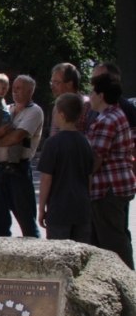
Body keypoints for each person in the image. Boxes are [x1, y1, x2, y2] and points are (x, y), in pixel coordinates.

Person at [0, 74, 44, 238]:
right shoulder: (6, 109)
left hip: (18, 169)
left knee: (26, 220)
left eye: (19, 89)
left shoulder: (35, 111)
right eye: (13, 88)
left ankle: (33, 257)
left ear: (30, 91)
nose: (14, 92)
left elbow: (17, 136)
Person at [86, 72, 135, 269]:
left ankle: (126, 288)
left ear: (101, 95)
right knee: (112, 238)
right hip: (118, 186)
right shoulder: (116, 114)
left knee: (112, 243)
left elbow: (97, 157)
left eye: (92, 92)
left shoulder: (106, 120)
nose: (89, 96)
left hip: (108, 189)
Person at [37, 93, 93, 242]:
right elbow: (89, 178)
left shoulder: (52, 143)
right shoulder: (85, 142)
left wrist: (41, 208)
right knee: (81, 254)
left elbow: (46, 179)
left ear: (61, 114)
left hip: (59, 209)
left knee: (59, 256)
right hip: (82, 209)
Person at [49, 62, 93, 133]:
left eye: (56, 82)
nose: (52, 86)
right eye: (51, 82)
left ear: (69, 84)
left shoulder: (86, 105)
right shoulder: (57, 106)